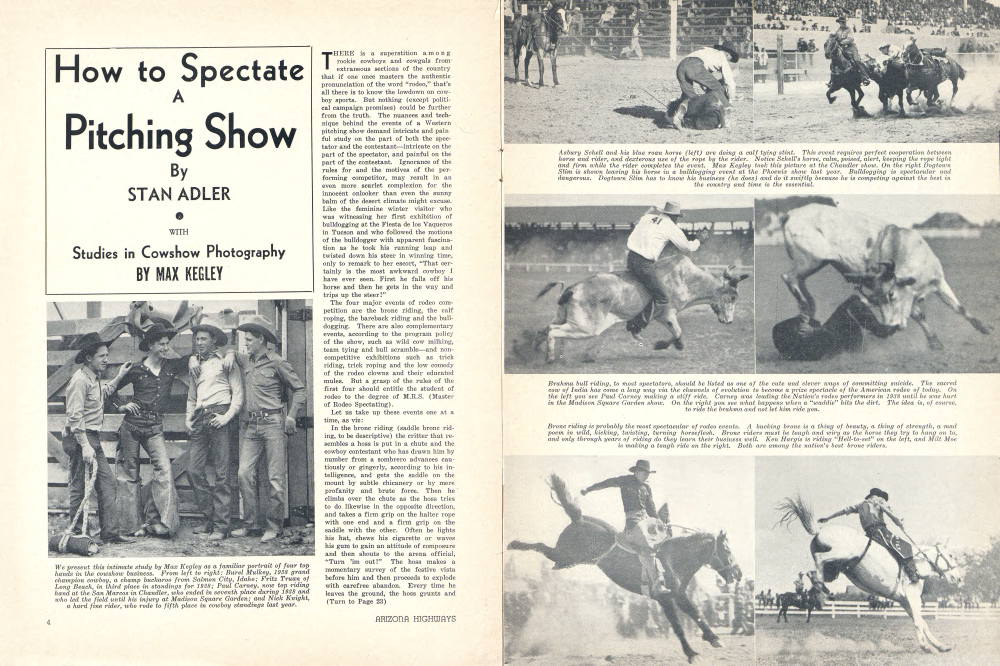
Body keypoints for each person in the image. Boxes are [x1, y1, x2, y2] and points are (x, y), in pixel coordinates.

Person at [228, 315, 307, 543]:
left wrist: (291, 416)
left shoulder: (278, 363)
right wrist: (230, 353)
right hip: (251, 427)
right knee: (244, 474)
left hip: (273, 424)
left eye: (249, 339)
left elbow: (300, 390)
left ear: (261, 339)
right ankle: (251, 525)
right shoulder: (246, 360)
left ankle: (274, 527)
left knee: (275, 478)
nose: (245, 343)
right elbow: (231, 352)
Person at [110, 323, 190, 538]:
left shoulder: (171, 367)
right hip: (131, 426)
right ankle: (130, 526)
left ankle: (160, 522)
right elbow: (110, 391)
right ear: (151, 346)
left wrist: (193, 330)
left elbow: (192, 358)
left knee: (164, 470)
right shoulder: (135, 369)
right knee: (129, 474)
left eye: (167, 343)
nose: (166, 347)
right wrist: (121, 406)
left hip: (154, 428)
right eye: (162, 344)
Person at [63, 332, 134, 545]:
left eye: (107, 355)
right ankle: (77, 534)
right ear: (88, 358)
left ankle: (110, 533)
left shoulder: (94, 378)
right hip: (81, 438)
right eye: (101, 356)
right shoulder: (79, 381)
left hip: (93, 437)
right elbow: (74, 417)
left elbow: (103, 394)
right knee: (79, 486)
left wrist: (120, 376)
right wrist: (85, 445)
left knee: (107, 483)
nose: (106, 359)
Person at [186, 318, 243, 540]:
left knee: (222, 473)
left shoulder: (227, 362)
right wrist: (188, 418)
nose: (199, 343)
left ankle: (221, 527)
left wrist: (226, 417)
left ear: (214, 341)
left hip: (221, 415)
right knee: (193, 470)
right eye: (197, 339)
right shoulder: (195, 364)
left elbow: (238, 394)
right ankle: (210, 518)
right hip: (200, 417)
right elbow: (192, 397)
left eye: (203, 339)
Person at [581, 460, 672, 596]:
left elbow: (651, 509)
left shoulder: (646, 488)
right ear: (637, 471)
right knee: (648, 548)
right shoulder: (625, 481)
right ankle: (657, 585)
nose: (646, 476)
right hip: (633, 523)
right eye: (644, 473)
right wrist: (589, 489)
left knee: (663, 540)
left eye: (648, 474)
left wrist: (660, 523)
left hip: (646, 521)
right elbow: (607, 483)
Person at [624, 201, 701, 340]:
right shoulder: (671, 227)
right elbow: (687, 248)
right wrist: (699, 241)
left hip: (631, 258)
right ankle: (635, 325)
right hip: (644, 264)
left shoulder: (647, 218)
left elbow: (637, 226)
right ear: (674, 217)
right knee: (663, 297)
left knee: (645, 289)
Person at [818, 488, 921, 583]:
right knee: (905, 546)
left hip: (869, 534)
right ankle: (912, 574)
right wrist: (899, 521)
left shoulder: (860, 505)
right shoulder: (879, 501)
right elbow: (889, 512)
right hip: (880, 532)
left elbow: (844, 511)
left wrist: (828, 518)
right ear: (879, 496)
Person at [772, 294, 899, 361]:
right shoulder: (811, 351)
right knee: (855, 305)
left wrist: (806, 320)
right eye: (800, 327)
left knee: (853, 299)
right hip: (843, 342)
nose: (803, 326)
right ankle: (881, 331)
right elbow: (831, 338)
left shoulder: (799, 341)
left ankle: (878, 322)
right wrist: (814, 331)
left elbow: (818, 324)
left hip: (831, 334)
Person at [668, 40, 739, 129]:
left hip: (681, 66)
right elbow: (729, 82)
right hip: (695, 65)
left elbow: (704, 76)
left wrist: (704, 86)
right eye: (730, 59)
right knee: (717, 87)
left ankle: (679, 115)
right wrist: (730, 100)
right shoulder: (722, 56)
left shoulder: (708, 52)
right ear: (728, 53)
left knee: (689, 96)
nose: (729, 61)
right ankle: (727, 117)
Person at [832, 17, 869, 84]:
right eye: (842, 22)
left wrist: (841, 42)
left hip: (851, 47)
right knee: (835, 59)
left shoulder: (849, 29)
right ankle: (833, 78)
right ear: (839, 23)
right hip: (842, 48)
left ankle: (864, 76)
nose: (844, 23)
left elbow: (851, 38)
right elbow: (834, 37)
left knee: (856, 60)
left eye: (844, 22)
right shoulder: (837, 30)